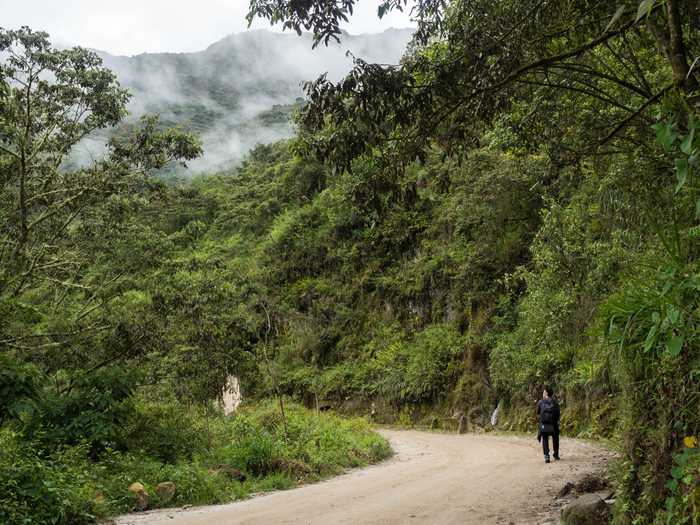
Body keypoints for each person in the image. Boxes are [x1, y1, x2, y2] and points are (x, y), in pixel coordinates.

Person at [536, 386, 560, 463]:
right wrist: (555, 421)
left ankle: (546, 456)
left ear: (546, 393)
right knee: (555, 438)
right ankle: (555, 455)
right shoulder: (555, 402)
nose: (543, 393)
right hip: (553, 424)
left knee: (545, 438)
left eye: (543, 392)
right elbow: (558, 413)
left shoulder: (540, 402)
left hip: (544, 424)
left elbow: (538, 413)